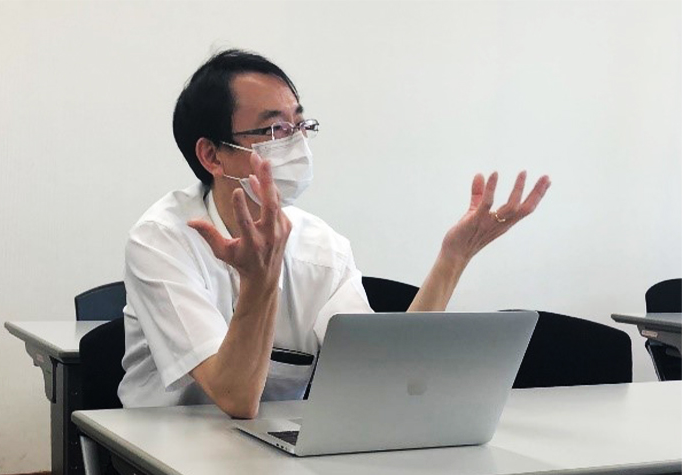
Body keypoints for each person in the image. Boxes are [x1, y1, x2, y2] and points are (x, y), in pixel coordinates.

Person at [117, 49, 551, 418]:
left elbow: (384, 376)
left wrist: (453, 259)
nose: (296, 143)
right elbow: (235, 397)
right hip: (161, 451)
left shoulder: (321, 246)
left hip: (277, 449)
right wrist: (261, 281)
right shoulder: (160, 240)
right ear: (212, 155)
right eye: (274, 130)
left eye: (300, 125)